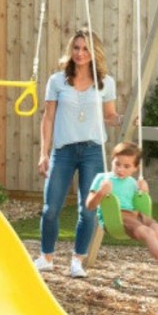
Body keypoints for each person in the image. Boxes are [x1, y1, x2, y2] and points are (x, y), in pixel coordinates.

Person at [35, 28, 120, 278]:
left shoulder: (106, 82)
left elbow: (110, 117)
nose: (80, 53)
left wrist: (126, 120)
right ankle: (46, 257)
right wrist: (43, 153)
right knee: (51, 208)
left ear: (95, 53)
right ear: (70, 50)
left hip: (93, 151)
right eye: (76, 48)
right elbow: (48, 118)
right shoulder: (57, 81)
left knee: (88, 209)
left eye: (85, 49)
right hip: (63, 151)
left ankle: (77, 261)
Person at [85, 142, 158, 284]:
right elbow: (89, 205)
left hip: (135, 215)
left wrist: (144, 192)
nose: (120, 169)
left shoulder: (132, 182)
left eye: (126, 166)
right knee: (147, 233)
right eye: (117, 164)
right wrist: (101, 192)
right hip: (115, 217)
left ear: (135, 168)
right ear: (112, 160)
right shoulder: (102, 178)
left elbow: (139, 205)